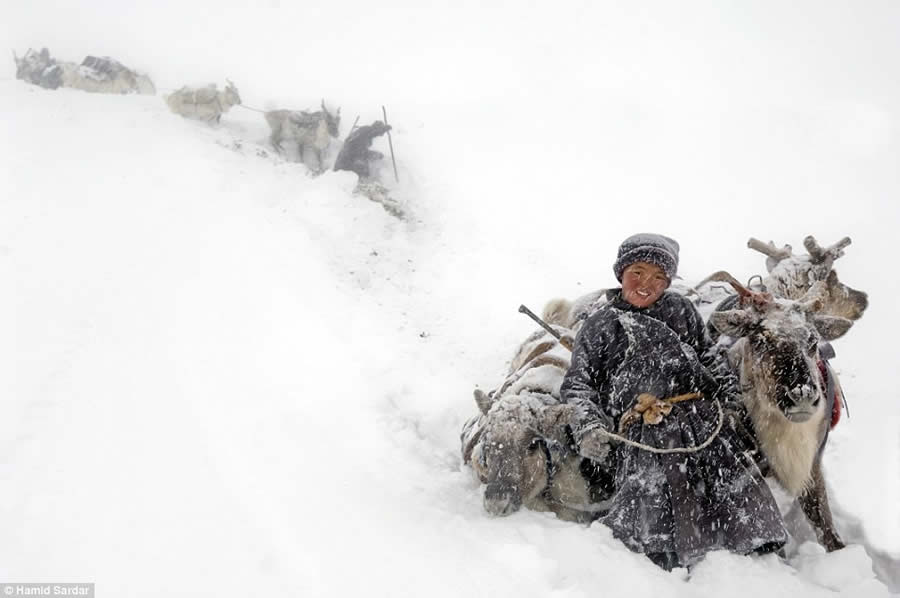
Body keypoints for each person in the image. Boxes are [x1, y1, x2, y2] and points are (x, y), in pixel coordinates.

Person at [560, 233, 787, 570]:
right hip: (638, 426)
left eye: (658, 277)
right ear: (621, 272)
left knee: (726, 459)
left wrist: (730, 400)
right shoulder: (600, 325)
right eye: (637, 271)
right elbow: (578, 386)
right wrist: (589, 427)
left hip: (699, 415)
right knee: (657, 464)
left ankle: (750, 540)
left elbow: (709, 358)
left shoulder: (682, 310)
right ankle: (662, 549)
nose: (645, 284)